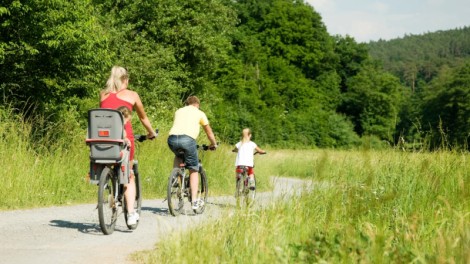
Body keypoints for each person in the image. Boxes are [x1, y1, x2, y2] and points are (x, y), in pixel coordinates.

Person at [100, 66, 157, 226]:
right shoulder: (132, 95)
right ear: (125, 79)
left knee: (110, 163)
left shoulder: (103, 94)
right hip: (125, 140)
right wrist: (152, 133)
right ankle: (131, 213)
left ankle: (107, 183)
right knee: (129, 175)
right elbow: (143, 118)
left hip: (104, 141)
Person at [167, 96, 217, 210]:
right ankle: (194, 201)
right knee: (193, 169)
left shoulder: (178, 111)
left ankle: (175, 178)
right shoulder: (200, 113)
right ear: (197, 104)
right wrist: (213, 144)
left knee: (178, 155)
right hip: (188, 140)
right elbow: (209, 133)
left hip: (172, 139)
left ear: (187, 104)